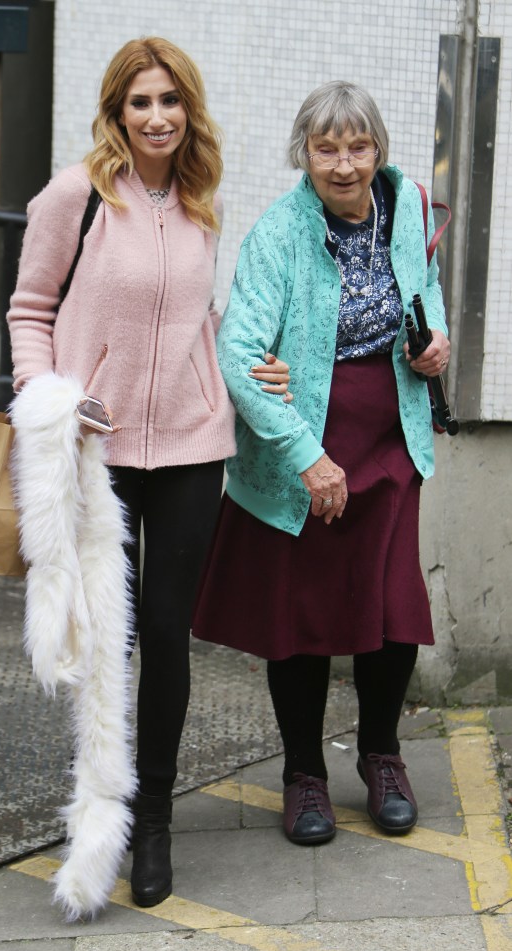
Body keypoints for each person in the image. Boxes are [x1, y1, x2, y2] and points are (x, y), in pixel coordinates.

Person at [7, 36, 290, 911]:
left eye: (170, 100)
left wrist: (253, 368)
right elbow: (29, 308)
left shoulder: (201, 200)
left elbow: (202, 318)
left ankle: (153, 818)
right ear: (116, 112)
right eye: (140, 102)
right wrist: (49, 394)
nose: (157, 117)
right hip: (96, 448)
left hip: (192, 445)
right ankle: (99, 805)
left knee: (168, 632)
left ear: (187, 109)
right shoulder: (76, 193)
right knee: (103, 637)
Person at [192, 81, 450, 848]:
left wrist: (432, 343)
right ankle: (303, 772)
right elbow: (239, 356)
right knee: (299, 619)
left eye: (357, 147)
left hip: (391, 439)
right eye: (325, 148)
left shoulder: (405, 209)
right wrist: (308, 455)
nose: (343, 164)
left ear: (379, 150)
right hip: (306, 446)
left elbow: (426, 291)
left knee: (388, 611)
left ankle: (382, 756)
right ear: (302, 152)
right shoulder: (278, 235)